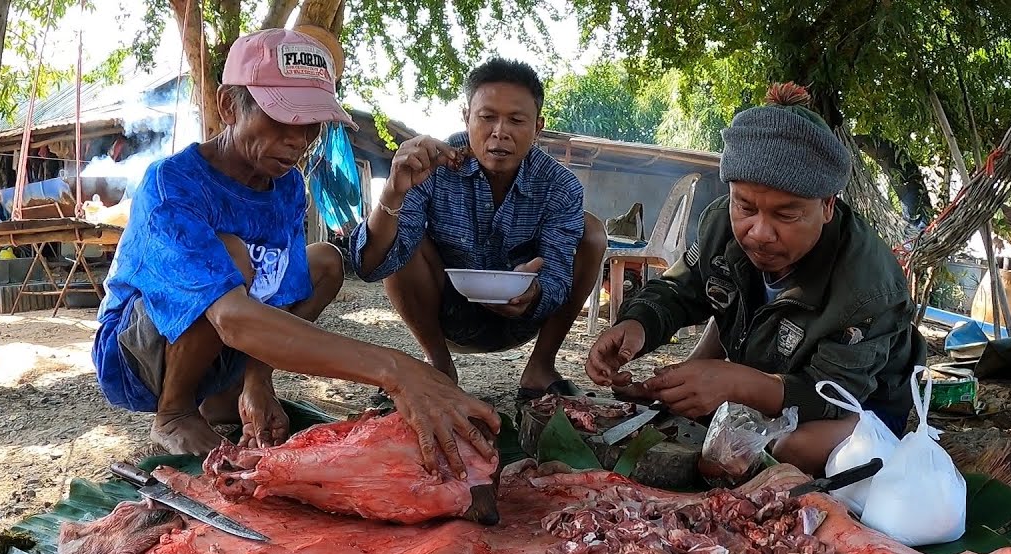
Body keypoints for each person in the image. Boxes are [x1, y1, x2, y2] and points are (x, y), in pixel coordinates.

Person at [93, 28, 499, 478]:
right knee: (232, 257)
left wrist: (259, 380)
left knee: (324, 262)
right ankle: (174, 412)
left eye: (310, 123)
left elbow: (281, 288)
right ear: (230, 106)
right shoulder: (173, 184)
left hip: (225, 343)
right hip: (137, 354)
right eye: (281, 118)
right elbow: (230, 315)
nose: (299, 139)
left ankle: (226, 392)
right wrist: (396, 370)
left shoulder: (287, 187)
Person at [586, 82, 925, 476]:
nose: (759, 232)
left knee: (790, 449)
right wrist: (637, 325)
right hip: (766, 368)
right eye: (744, 206)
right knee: (689, 415)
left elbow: (832, 394)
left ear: (828, 205)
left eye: (786, 215)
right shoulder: (720, 223)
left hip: (861, 402)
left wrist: (735, 384)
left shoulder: (867, 286)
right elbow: (682, 289)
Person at [348, 58, 608, 402]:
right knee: (401, 238)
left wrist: (535, 293)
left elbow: (558, 279)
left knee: (592, 231)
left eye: (516, 120)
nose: (500, 131)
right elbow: (370, 267)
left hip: (525, 316)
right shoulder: (433, 166)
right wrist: (393, 191)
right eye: (487, 117)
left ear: (538, 126)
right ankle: (440, 368)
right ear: (466, 116)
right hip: (445, 313)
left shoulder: (560, 186)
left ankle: (541, 367)